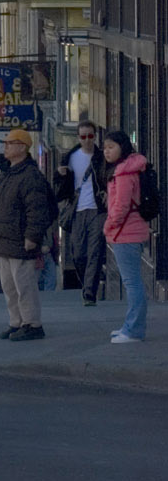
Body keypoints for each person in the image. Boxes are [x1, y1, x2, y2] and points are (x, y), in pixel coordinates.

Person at [0, 128, 56, 341]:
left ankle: (32, 323)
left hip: (21, 241)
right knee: (9, 286)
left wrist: (32, 237)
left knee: (24, 286)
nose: (5, 147)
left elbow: (37, 210)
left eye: (9, 143)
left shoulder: (30, 176)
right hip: (7, 241)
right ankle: (16, 322)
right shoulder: (11, 173)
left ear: (22, 147)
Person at [103, 130, 150, 344]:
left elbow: (120, 207)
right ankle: (131, 326)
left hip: (126, 233)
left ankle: (133, 330)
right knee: (133, 282)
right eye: (105, 147)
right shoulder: (131, 168)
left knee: (132, 283)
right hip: (132, 230)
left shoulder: (123, 173)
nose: (106, 151)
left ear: (122, 146)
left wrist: (108, 226)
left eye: (111, 147)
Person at [55, 120, 107, 305]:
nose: (87, 140)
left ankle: (89, 293)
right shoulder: (70, 157)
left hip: (97, 210)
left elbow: (108, 178)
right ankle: (87, 282)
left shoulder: (101, 157)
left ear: (95, 136)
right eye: (83, 136)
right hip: (77, 210)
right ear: (78, 137)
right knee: (78, 254)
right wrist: (59, 175)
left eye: (90, 136)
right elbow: (60, 189)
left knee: (95, 251)